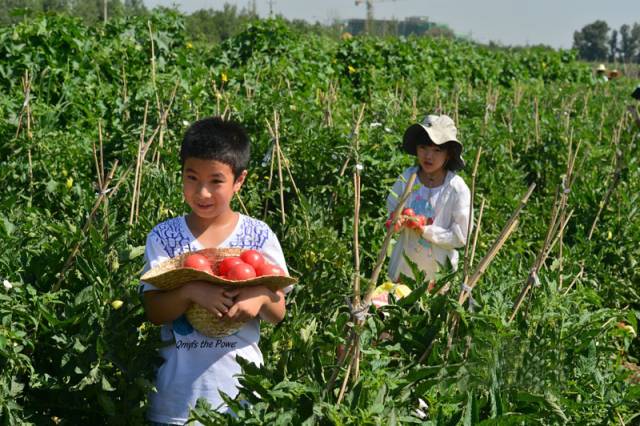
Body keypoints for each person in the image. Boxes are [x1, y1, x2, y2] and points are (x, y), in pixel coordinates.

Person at [140, 117, 289, 425]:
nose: (202, 193)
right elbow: (153, 310)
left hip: (241, 398)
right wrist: (191, 291)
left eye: (216, 181)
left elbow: (279, 312)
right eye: (192, 178)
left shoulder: (258, 237)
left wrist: (260, 296)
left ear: (239, 180)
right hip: (176, 402)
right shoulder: (165, 237)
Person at [385, 114, 471, 290]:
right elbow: (391, 211)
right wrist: (397, 221)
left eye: (437, 150)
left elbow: (460, 237)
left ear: (448, 154)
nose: (428, 156)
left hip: (438, 275)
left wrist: (425, 230)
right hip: (403, 270)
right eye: (423, 147)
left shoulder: (456, 189)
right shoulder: (407, 178)